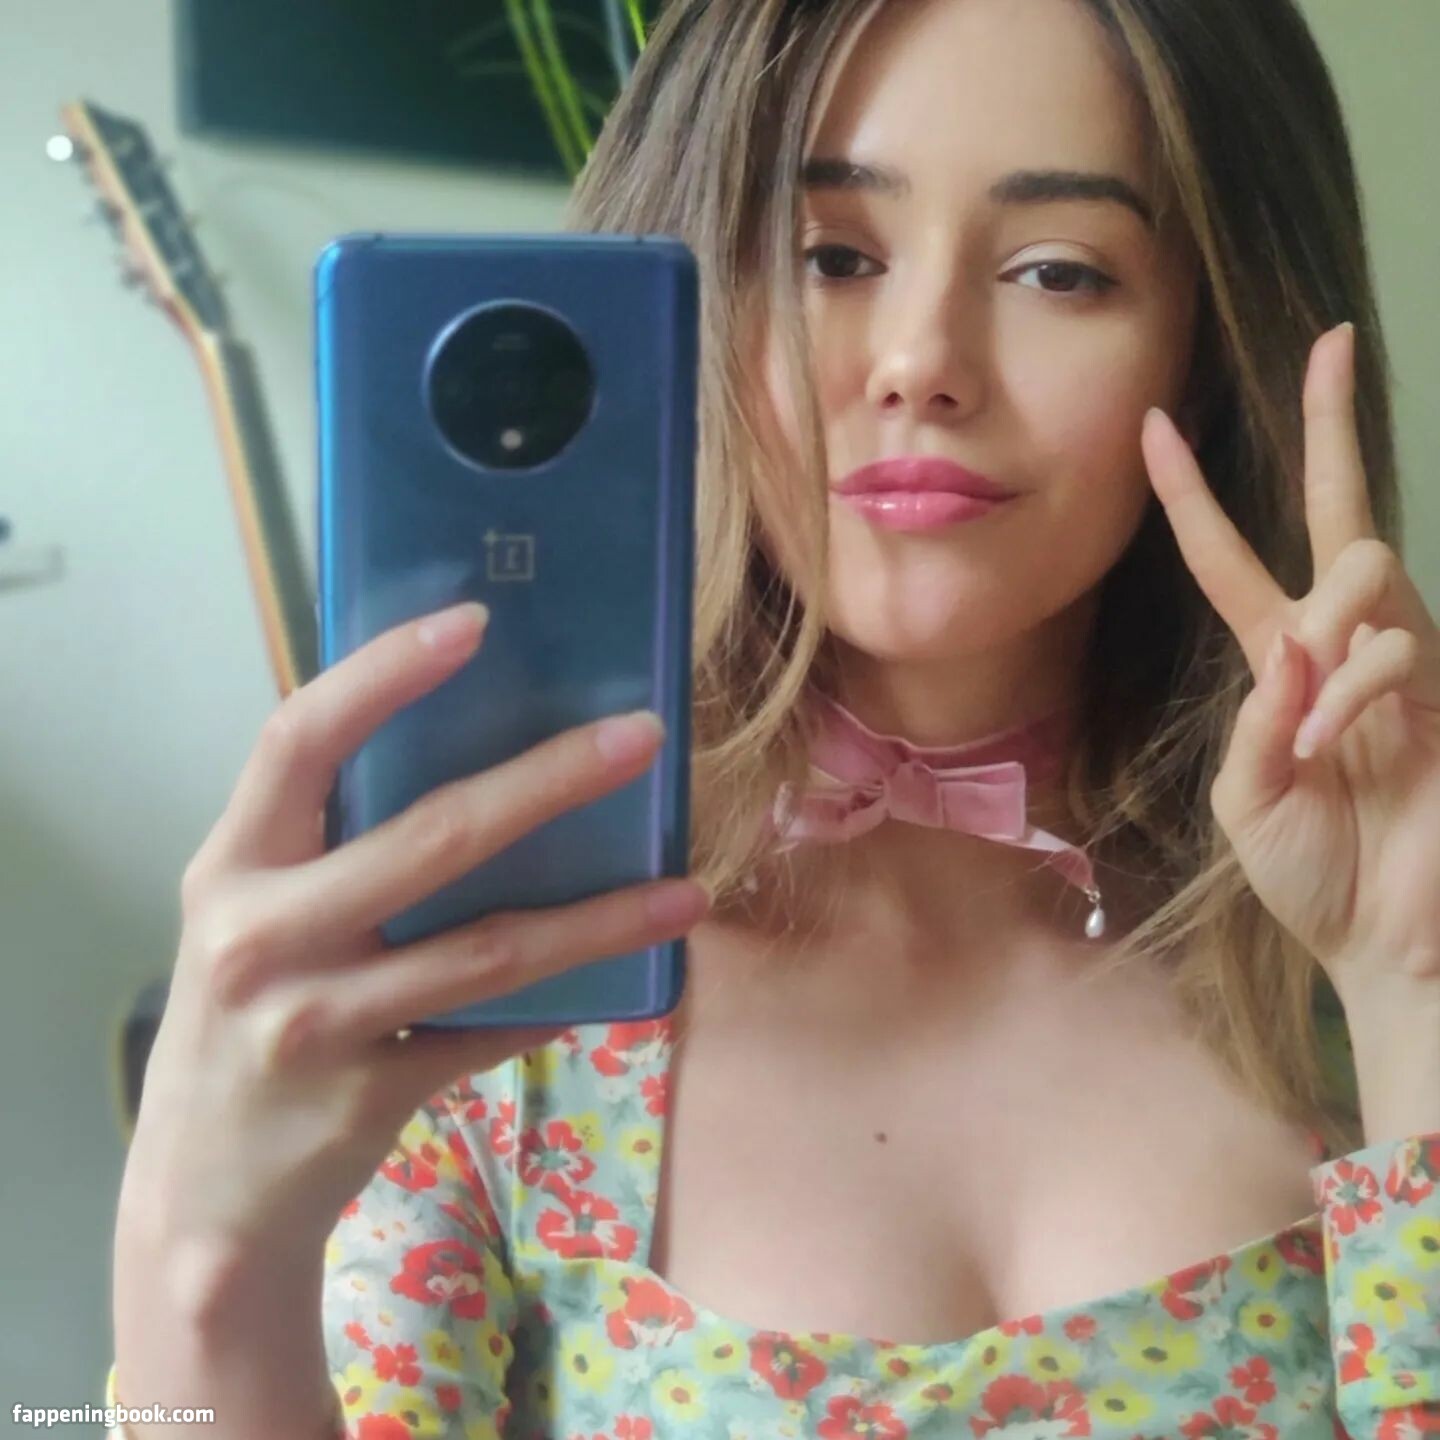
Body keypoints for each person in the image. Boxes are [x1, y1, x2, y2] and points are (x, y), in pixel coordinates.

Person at [106, 0, 1440, 1436]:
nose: (920, 360)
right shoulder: (489, 997)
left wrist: (1415, 985)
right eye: (831, 257)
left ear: (1217, 343)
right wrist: (201, 1258)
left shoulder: (1356, 958)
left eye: (1060, 271)